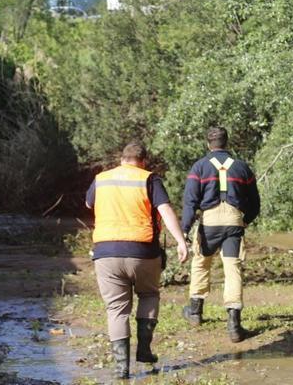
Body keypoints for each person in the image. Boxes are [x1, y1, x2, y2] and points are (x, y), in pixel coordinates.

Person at [85, 142, 188, 379]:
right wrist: (181, 241)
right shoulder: (149, 178)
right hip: (143, 251)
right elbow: (165, 210)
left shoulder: (101, 179)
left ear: (122, 159)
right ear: (143, 161)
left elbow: (89, 204)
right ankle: (144, 349)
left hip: (106, 252)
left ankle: (122, 367)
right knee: (149, 295)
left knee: (116, 309)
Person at [181, 126, 260, 342]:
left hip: (210, 222)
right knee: (232, 267)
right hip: (234, 220)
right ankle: (234, 325)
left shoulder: (199, 167)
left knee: (201, 263)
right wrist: (244, 220)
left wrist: (185, 230)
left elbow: (190, 202)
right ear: (227, 143)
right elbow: (255, 203)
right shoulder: (242, 168)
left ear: (208, 144)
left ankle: (195, 312)